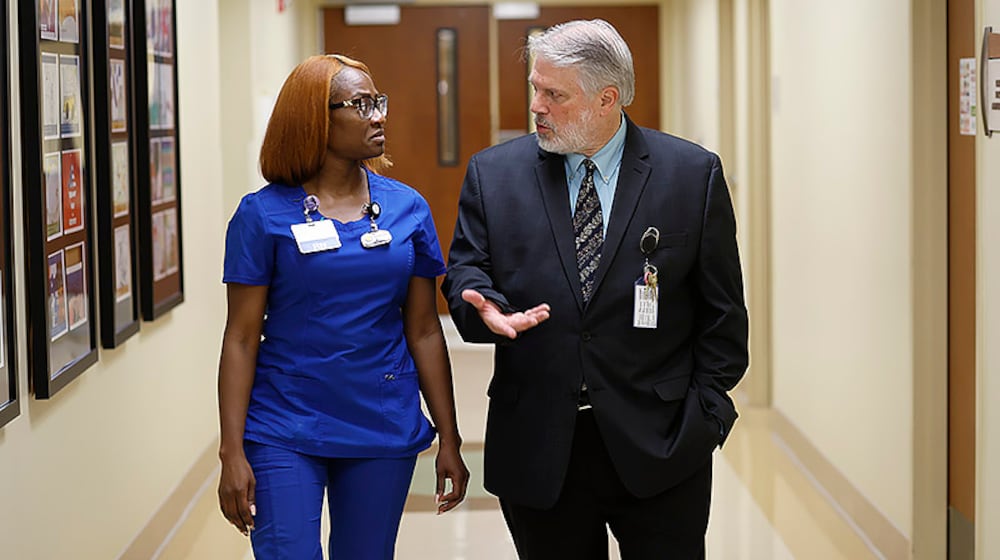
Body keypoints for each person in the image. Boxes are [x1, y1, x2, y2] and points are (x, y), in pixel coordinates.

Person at [442, 20, 749, 559]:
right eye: (535, 88)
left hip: (662, 446)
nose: (536, 105)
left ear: (607, 99)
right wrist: (482, 308)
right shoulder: (495, 176)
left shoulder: (690, 175)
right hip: (540, 445)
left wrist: (705, 420)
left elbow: (724, 318)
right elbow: (467, 274)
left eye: (554, 94)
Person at [217, 54, 469, 560]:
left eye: (379, 103)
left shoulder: (407, 208)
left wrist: (450, 437)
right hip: (285, 425)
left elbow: (423, 330)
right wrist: (231, 451)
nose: (378, 116)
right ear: (315, 119)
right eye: (360, 105)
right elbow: (241, 338)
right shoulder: (261, 215)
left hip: (380, 420)